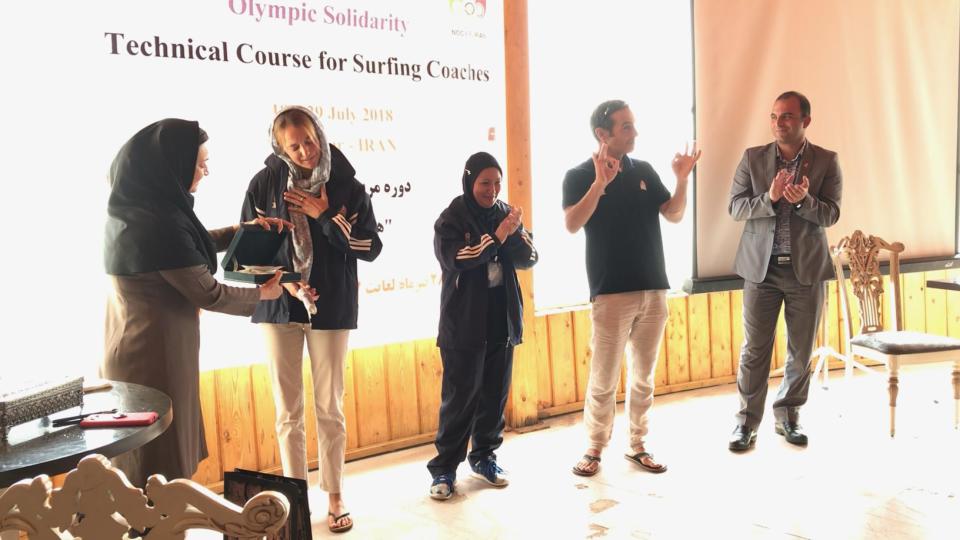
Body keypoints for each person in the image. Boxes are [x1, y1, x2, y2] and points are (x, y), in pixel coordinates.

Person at [103, 118, 286, 488]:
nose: (205, 171)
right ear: (172, 164)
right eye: (200, 163)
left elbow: (189, 245)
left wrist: (239, 231)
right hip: (155, 356)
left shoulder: (139, 211)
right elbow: (209, 293)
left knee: (151, 457)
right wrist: (263, 294)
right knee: (159, 464)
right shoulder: (160, 226)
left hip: (140, 348)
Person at [240, 106, 382, 533]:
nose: (304, 151)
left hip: (331, 304)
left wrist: (325, 216)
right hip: (280, 306)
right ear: (280, 147)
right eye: (294, 146)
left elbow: (370, 247)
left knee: (330, 407)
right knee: (288, 411)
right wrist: (287, 284)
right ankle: (295, 498)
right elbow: (248, 253)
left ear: (319, 134)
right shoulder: (263, 183)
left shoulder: (345, 184)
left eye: (309, 141)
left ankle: (335, 495)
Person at [564, 100, 700, 477]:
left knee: (643, 377)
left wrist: (682, 179)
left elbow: (673, 214)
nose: (634, 132)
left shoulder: (644, 170)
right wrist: (599, 185)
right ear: (602, 134)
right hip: (610, 293)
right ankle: (594, 447)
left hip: (654, 290)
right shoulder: (578, 175)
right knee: (604, 377)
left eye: (633, 125)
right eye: (625, 126)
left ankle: (638, 444)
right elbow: (572, 223)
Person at [727, 91, 842, 451]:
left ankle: (788, 415)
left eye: (788, 116)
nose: (779, 123)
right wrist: (771, 198)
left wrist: (805, 201)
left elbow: (831, 214)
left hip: (805, 270)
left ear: (806, 121)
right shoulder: (753, 158)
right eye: (775, 116)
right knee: (754, 351)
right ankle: (746, 423)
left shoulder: (826, 160)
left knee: (801, 351)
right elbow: (735, 208)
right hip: (760, 271)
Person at [427, 152, 538, 500]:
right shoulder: (451, 218)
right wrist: (500, 235)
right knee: (459, 398)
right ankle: (444, 468)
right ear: (469, 182)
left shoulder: (505, 213)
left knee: (494, 394)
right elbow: (459, 258)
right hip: (463, 322)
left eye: (497, 183)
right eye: (484, 183)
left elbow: (530, 258)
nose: (492, 190)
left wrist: (515, 233)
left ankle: (485, 457)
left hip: (501, 318)